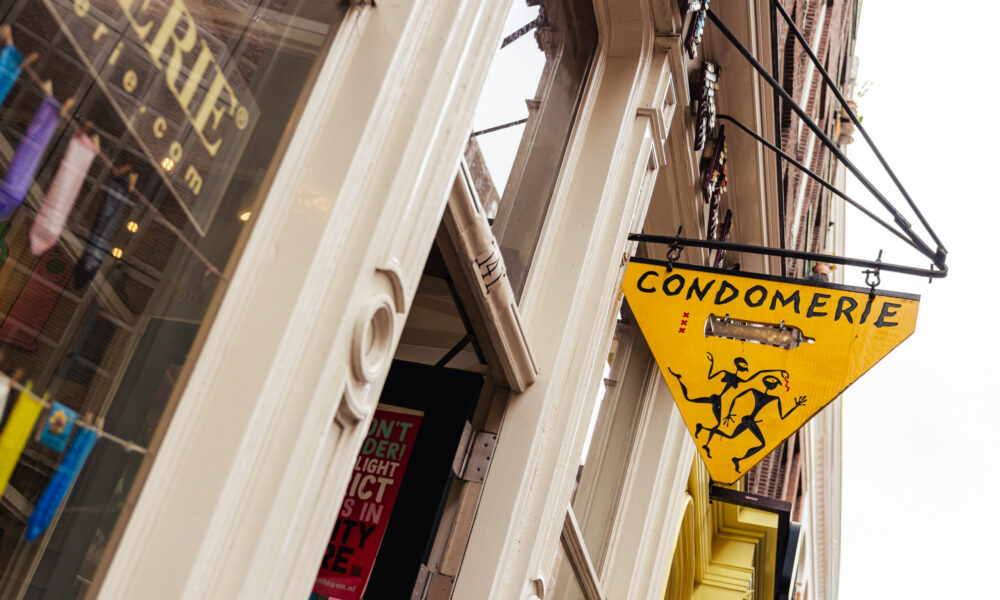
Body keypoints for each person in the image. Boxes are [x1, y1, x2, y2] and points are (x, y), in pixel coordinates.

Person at [667, 353, 788, 458]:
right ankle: (705, 440)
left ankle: (703, 433)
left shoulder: (739, 379)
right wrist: (712, 362)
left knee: (690, 399)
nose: (746, 368)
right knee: (717, 423)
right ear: (738, 364)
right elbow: (756, 376)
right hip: (718, 401)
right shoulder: (738, 379)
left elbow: (758, 374)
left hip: (717, 399)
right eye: (744, 365)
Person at [707, 375, 806, 473]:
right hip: (749, 421)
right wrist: (729, 413)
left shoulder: (773, 397)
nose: (773, 384)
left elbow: (782, 417)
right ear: (765, 381)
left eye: (775, 382)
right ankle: (737, 459)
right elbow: (736, 397)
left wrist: (796, 406)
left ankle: (704, 428)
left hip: (749, 420)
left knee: (731, 436)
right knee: (761, 444)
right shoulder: (760, 393)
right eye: (772, 381)